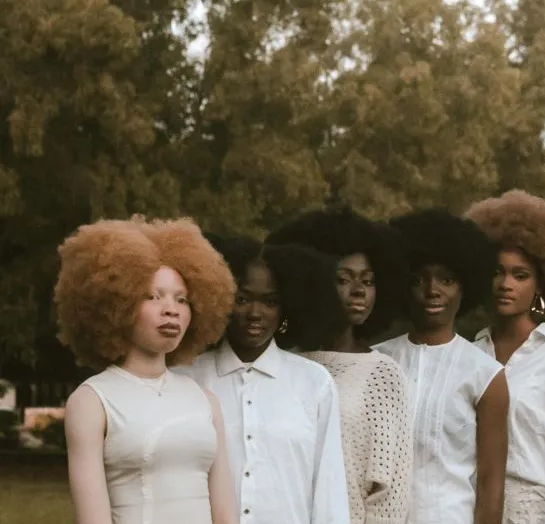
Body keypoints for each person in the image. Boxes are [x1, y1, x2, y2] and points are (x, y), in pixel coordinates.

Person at [57, 216, 237, 524]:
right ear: (118, 304)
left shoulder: (205, 401)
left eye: (182, 299)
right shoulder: (91, 400)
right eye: (153, 296)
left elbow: (225, 511)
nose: (172, 309)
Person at [176, 236, 350, 524]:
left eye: (270, 301)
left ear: (286, 308)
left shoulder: (313, 383)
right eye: (242, 299)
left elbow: (329, 489)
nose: (255, 314)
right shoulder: (187, 379)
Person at [267, 209, 413, 523]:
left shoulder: (383, 374)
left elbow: (391, 497)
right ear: (314, 283)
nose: (358, 291)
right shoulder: (283, 365)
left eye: (368, 281)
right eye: (343, 279)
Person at [374, 208, 509, 524]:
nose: (432, 290)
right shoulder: (376, 362)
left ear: (465, 286)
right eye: (418, 279)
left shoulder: (485, 375)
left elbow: (491, 487)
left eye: (446, 280)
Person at [464, 190, 545, 524]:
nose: (506, 284)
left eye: (520, 275)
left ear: (541, 285)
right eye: (497, 272)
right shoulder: (470, 354)